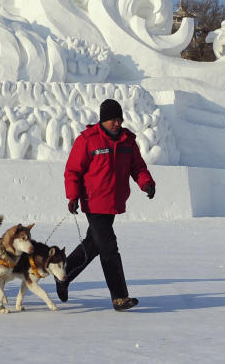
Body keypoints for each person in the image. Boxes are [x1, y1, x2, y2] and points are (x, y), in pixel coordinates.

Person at [56, 98, 156, 311]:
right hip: (93, 203)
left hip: (114, 202)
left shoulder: (128, 141)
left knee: (93, 245)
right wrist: (72, 196)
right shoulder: (88, 140)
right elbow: (73, 170)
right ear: (103, 120)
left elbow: (137, 167)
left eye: (119, 119)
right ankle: (119, 297)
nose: (117, 123)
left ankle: (63, 276)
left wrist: (146, 183)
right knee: (109, 248)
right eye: (113, 120)